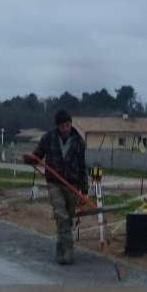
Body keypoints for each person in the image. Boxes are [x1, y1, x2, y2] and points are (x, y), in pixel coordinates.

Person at [34, 109, 89, 264]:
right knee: (61, 215)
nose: (66, 128)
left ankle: (60, 250)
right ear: (57, 126)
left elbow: (82, 167)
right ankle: (69, 251)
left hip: (72, 185)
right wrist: (31, 159)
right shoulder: (48, 138)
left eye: (68, 125)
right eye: (62, 126)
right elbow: (38, 154)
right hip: (54, 183)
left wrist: (84, 190)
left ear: (71, 124)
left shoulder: (79, 142)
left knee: (67, 219)